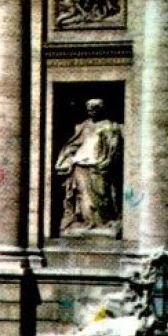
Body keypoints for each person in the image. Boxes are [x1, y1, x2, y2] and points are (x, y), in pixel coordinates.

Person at [55, 100, 124, 235]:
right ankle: (88, 222)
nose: (91, 110)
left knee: (101, 194)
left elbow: (113, 149)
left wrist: (106, 162)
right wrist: (67, 157)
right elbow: (74, 143)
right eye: (88, 108)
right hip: (80, 165)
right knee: (83, 196)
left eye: (94, 108)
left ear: (101, 109)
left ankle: (103, 222)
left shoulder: (109, 126)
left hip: (99, 166)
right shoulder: (84, 126)